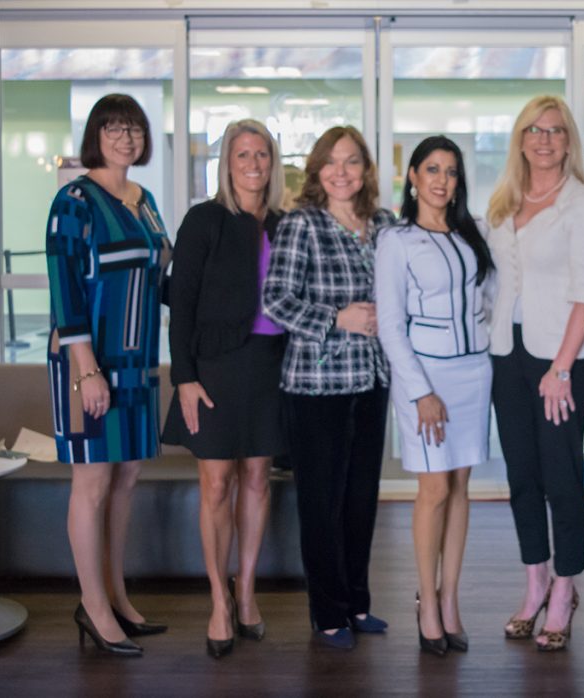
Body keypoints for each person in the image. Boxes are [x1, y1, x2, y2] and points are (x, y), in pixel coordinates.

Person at [45, 93, 171, 656]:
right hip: (88, 363)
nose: (125, 138)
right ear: (95, 135)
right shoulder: (73, 200)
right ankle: (93, 608)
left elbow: (165, 277)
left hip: (137, 362)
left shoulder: (145, 201)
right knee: (92, 483)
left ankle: (116, 594)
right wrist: (87, 368)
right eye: (114, 128)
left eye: (134, 129)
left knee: (126, 479)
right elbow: (64, 289)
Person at [262, 125, 395, 651]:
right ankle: (329, 611)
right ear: (317, 170)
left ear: (365, 170)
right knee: (322, 502)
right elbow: (277, 300)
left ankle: (358, 601)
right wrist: (336, 317)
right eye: (332, 162)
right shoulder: (302, 224)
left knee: (362, 499)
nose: (342, 172)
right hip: (317, 384)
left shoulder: (384, 225)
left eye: (352, 162)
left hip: (372, 378)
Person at [486, 95, 584, 652]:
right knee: (522, 478)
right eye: (534, 130)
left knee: (562, 478)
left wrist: (562, 368)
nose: (544, 139)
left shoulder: (583, 204)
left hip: (559, 359)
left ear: (569, 142)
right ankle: (535, 580)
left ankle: (565, 589)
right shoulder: (503, 202)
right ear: (521, 138)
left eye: (556, 131)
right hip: (506, 355)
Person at [161, 120, 287, 658]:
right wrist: (183, 377)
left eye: (262, 154)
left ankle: (247, 590)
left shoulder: (285, 224)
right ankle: (218, 600)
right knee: (216, 483)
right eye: (243, 154)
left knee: (258, 478)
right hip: (213, 366)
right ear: (227, 163)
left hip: (271, 366)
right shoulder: (205, 219)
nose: (253, 164)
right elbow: (181, 303)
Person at [375, 136, 495, 656]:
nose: (442, 180)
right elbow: (390, 326)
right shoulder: (396, 240)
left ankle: (450, 600)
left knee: (461, 486)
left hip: (474, 374)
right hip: (425, 377)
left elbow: (486, 298)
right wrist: (421, 391)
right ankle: (426, 600)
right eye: (432, 169)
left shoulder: (474, 234)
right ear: (414, 178)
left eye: (450, 171)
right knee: (434, 490)